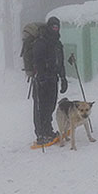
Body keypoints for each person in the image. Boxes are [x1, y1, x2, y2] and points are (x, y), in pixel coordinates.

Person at [32, 16, 68, 144]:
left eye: (57, 27)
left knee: (50, 106)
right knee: (40, 107)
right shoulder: (41, 42)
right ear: (49, 27)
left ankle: (48, 130)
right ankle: (41, 134)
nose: (55, 29)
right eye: (53, 26)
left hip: (53, 78)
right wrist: (40, 76)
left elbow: (61, 62)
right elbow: (37, 60)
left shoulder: (57, 44)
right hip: (41, 79)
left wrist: (63, 78)